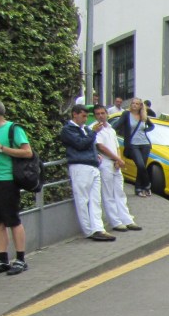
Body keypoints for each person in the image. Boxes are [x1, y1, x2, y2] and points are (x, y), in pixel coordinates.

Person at [0, 97, 32, 276]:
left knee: (12, 220)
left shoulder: (13, 129)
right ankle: (2, 260)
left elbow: (27, 152)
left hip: (6, 180)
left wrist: (1, 148)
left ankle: (20, 259)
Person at [61, 104, 115, 241]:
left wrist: (95, 154)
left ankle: (98, 228)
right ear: (75, 114)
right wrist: (93, 133)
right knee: (83, 199)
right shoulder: (68, 130)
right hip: (80, 165)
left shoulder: (84, 129)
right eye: (83, 116)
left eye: (86, 116)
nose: (85, 119)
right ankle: (89, 230)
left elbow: (88, 144)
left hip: (92, 165)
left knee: (95, 199)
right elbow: (80, 144)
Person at [92, 104, 141, 232]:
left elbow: (116, 146)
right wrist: (117, 159)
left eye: (103, 113)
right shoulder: (94, 129)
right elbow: (101, 147)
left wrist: (119, 159)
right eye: (98, 114)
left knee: (119, 192)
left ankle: (127, 219)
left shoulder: (111, 130)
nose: (101, 116)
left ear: (107, 114)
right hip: (106, 163)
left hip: (115, 163)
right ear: (95, 116)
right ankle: (115, 221)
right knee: (108, 193)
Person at [113, 97, 155, 197]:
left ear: (141, 106)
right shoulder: (126, 114)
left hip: (145, 144)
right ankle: (147, 184)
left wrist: (145, 130)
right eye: (133, 103)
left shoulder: (143, 116)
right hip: (132, 144)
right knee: (140, 165)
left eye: (137, 104)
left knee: (142, 167)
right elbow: (117, 125)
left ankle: (138, 189)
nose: (134, 105)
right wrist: (109, 129)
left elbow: (152, 126)